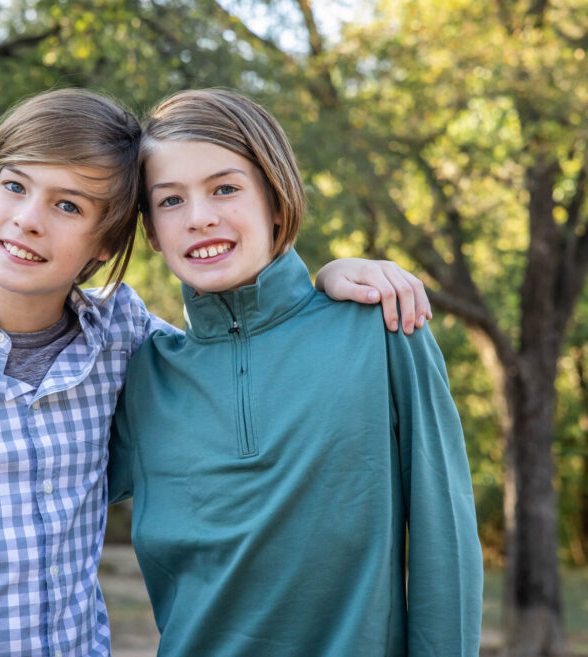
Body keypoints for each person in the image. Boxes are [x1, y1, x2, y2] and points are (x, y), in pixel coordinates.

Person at [0, 88, 431, 657]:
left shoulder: (123, 338)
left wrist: (324, 280)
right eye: (13, 185)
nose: (29, 218)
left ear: (106, 242)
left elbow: (230, 356)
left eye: (69, 206)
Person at [108, 89, 483, 656]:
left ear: (276, 201)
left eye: (225, 188)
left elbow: (445, 542)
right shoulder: (144, 374)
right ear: (152, 233)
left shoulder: (380, 327)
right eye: (170, 201)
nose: (200, 217)